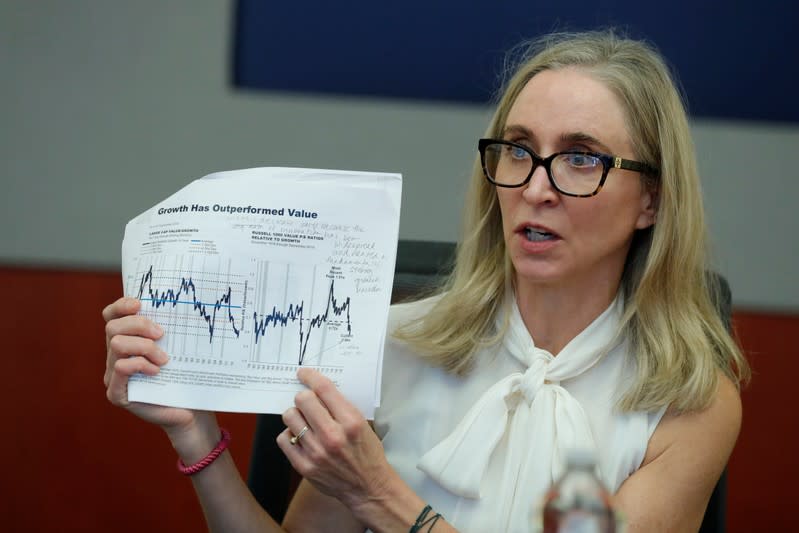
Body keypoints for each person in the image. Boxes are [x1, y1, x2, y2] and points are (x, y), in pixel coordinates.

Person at [104, 29, 749, 532]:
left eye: (581, 159)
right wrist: (195, 433)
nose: (535, 187)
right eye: (518, 150)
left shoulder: (691, 402)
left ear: (652, 202)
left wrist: (382, 496)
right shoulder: (391, 345)